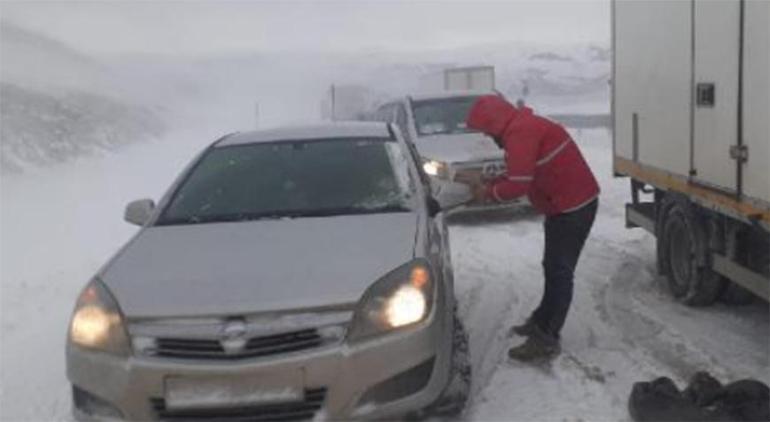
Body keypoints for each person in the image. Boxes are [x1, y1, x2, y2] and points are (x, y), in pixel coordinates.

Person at [459, 95, 600, 361]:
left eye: (487, 132)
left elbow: (518, 185)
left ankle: (547, 338)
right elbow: (520, 172)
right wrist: (489, 181)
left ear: (494, 123)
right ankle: (541, 321)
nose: (488, 137)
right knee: (552, 266)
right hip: (562, 205)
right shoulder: (522, 126)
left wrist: (487, 194)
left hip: (573, 207)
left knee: (560, 271)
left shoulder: (521, 133)